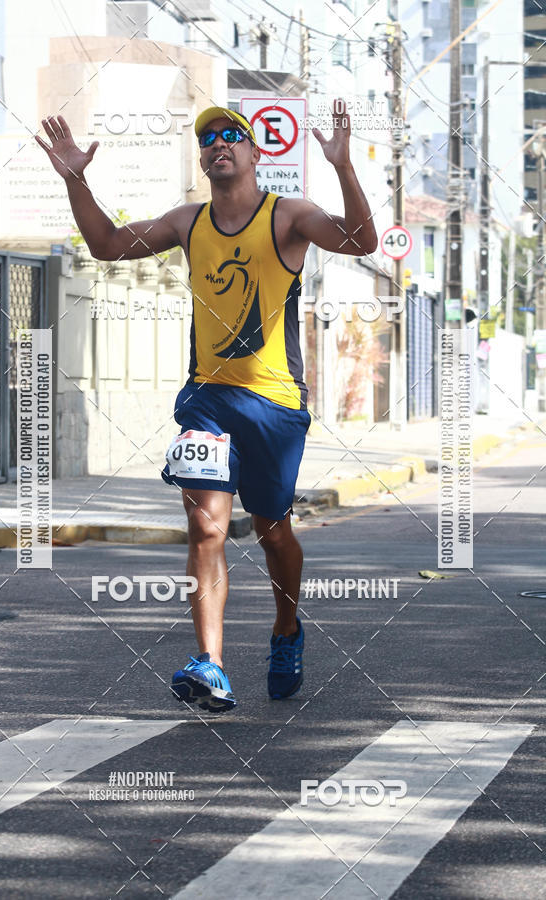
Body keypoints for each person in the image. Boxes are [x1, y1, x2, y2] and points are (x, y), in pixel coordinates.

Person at [36, 101, 377, 713]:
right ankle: (211, 664)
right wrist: (74, 178)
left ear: (254, 152)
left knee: (273, 532)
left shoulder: (288, 217)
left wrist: (345, 168)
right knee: (205, 526)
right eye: (208, 138)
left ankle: (286, 629)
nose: (219, 143)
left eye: (232, 136)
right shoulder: (187, 222)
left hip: (275, 404)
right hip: (207, 400)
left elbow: (361, 239)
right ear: (203, 159)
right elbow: (108, 244)